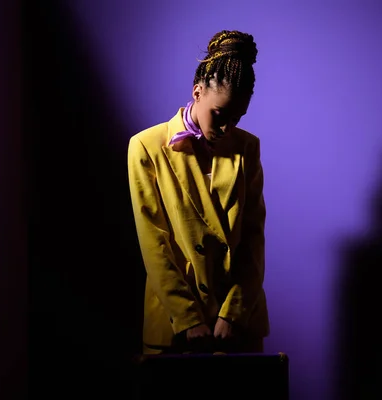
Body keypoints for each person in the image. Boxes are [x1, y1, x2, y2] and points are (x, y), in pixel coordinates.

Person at [127, 30, 269, 355]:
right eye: (219, 115)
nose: (226, 128)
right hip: (175, 323)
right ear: (197, 92)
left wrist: (233, 313)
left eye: (237, 118)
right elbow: (154, 243)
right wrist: (189, 317)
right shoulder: (145, 147)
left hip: (235, 323)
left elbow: (253, 240)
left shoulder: (248, 148)